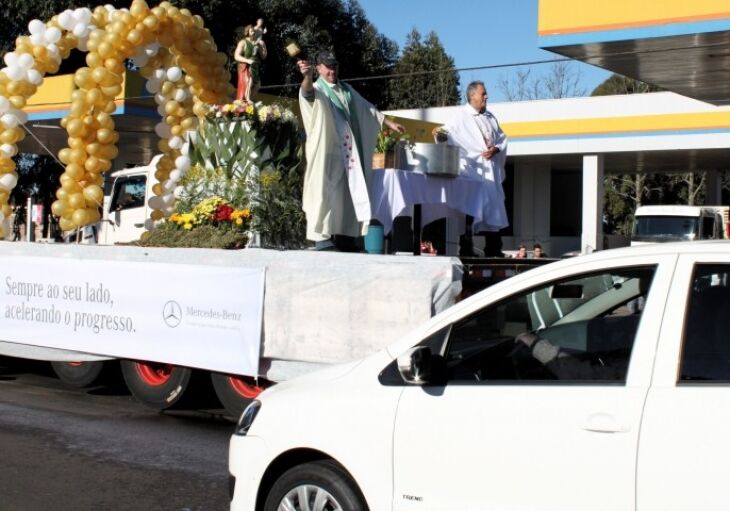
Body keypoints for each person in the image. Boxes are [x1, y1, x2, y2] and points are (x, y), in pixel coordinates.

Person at [297, 51, 405, 251]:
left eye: (334, 66)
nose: (332, 70)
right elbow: (306, 93)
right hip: (325, 153)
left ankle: (345, 235)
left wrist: (388, 122)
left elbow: (368, 109)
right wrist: (306, 77)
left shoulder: (346, 90)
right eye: (327, 67)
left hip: (347, 154)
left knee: (345, 196)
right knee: (323, 193)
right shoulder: (318, 88)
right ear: (318, 68)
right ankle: (321, 238)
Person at [434, 81, 508, 256]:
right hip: (472, 170)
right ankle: (466, 248)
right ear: (472, 96)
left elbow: (502, 139)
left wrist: (496, 149)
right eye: (483, 94)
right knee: (471, 209)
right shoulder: (460, 116)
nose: (486, 97)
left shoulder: (490, 117)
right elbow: (446, 134)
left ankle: (494, 247)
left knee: (493, 209)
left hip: (490, 170)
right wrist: (440, 135)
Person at [234, 24, 267, 102]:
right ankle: (247, 99)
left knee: (258, 85)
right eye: (251, 31)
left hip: (255, 66)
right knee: (249, 81)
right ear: (247, 32)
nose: (253, 32)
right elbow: (236, 56)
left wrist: (264, 47)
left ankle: (249, 102)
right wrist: (247, 60)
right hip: (246, 67)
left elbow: (263, 56)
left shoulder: (257, 43)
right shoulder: (243, 42)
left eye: (254, 31)